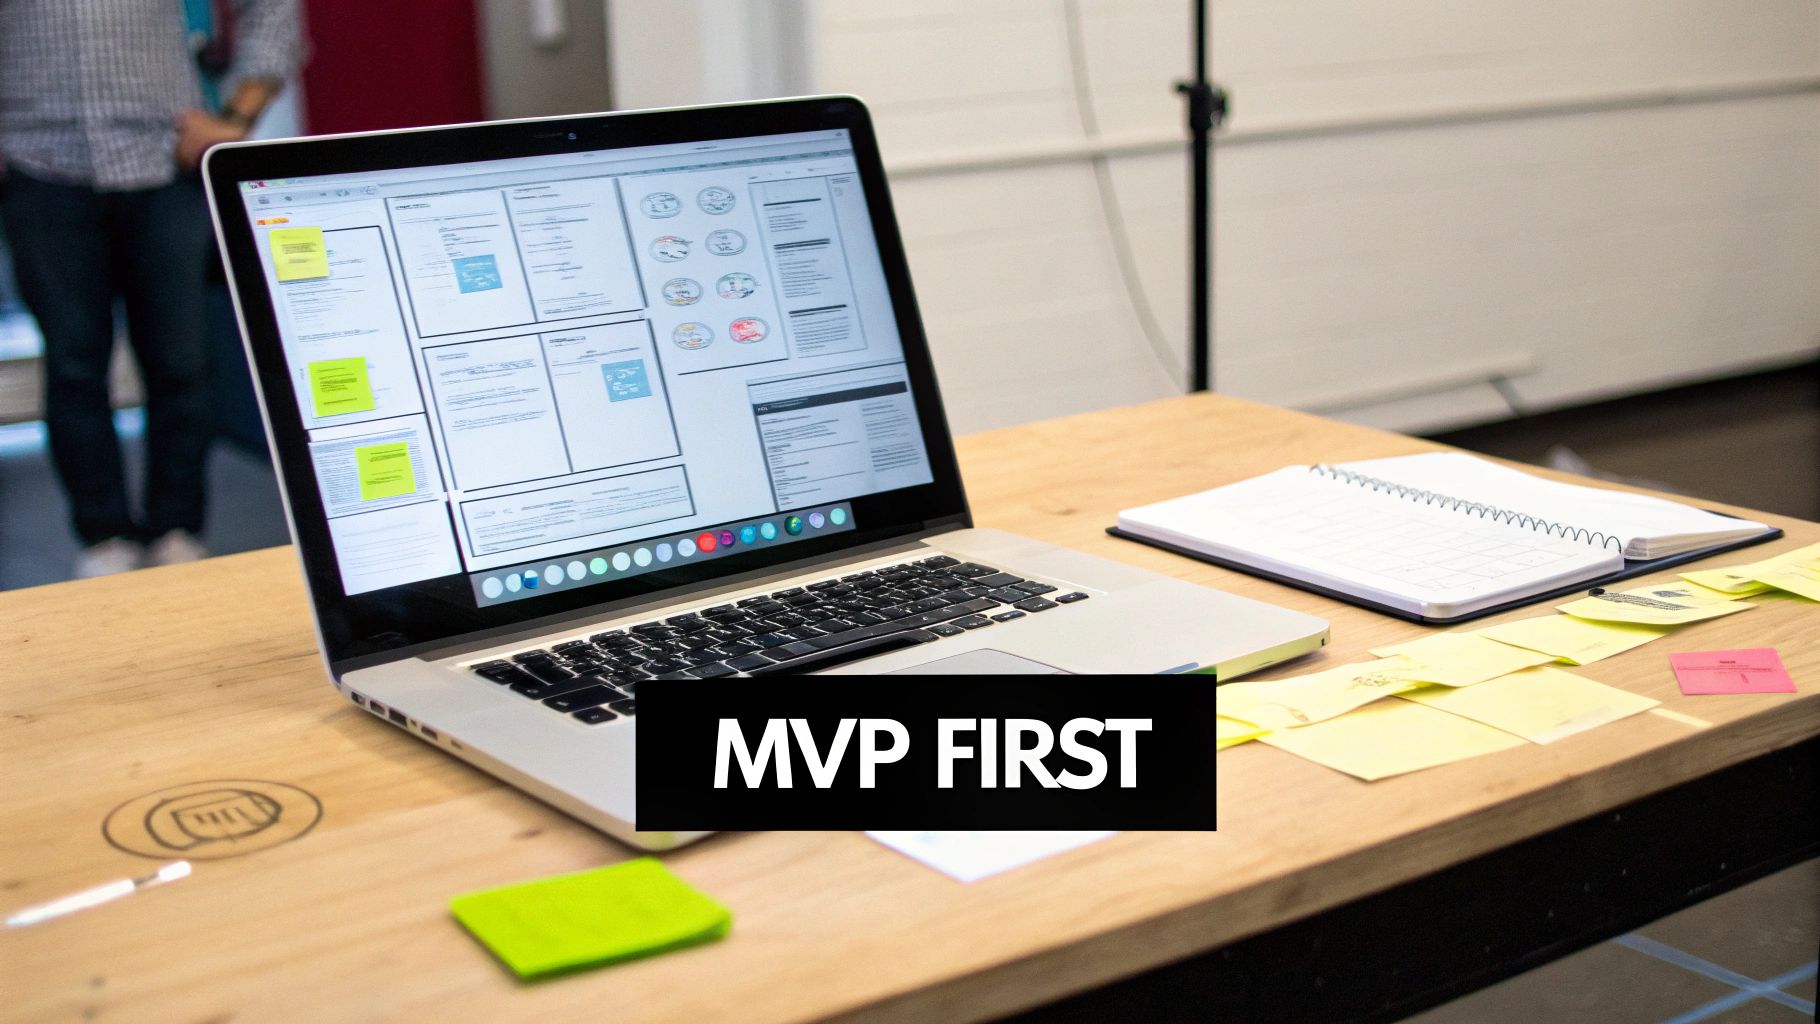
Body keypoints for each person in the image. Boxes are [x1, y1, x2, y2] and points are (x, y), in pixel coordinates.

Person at [0, 0, 302, 577]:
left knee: (181, 362)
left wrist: (235, 120)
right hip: (38, 164)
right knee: (72, 365)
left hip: (164, 161)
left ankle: (178, 531)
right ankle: (102, 538)